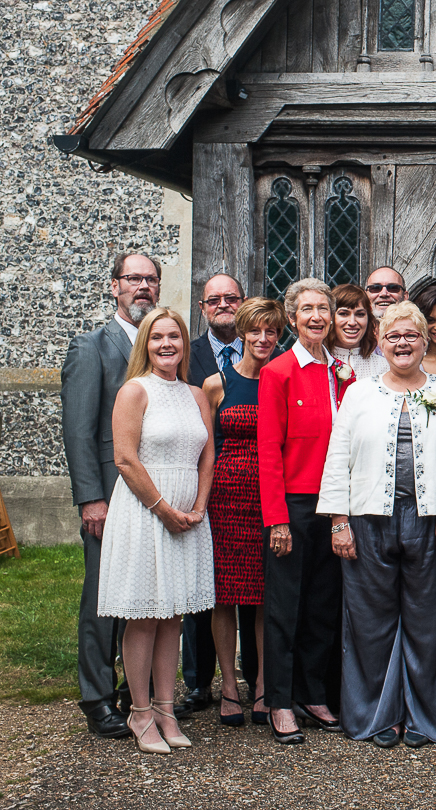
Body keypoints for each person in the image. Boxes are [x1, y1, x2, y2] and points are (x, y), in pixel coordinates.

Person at [318, 301, 436, 748]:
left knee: (428, 624)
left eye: (411, 336)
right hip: (367, 520)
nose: (403, 343)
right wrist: (339, 520)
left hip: (430, 523)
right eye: (394, 336)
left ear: (425, 341)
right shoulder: (359, 392)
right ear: (380, 343)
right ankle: (377, 717)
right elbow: (338, 455)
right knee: (369, 624)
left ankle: (422, 718)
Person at [97, 307, 216, 754]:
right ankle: (141, 711)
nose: (167, 344)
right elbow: (126, 459)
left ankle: (167, 709)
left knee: (174, 616)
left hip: (189, 514)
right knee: (145, 615)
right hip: (146, 512)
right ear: (144, 344)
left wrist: (199, 505)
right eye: (157, 337)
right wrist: (164, 508)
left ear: (185, 344)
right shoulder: (135, 391)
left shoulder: (196, 394)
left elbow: (206, 455)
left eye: (175, 337)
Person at [61, 252, 161, 739]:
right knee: (102, 598)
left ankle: (133, 692)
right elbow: (79, 432)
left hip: (149, 494)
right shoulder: (91, 347)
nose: (142, 287)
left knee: (139, 596)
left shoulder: (164, 347)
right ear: (115, 286)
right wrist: (90, 499)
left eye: (150, 279)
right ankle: (97, 697)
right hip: (109, 493)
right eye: (133, 279)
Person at [257, 278, 353, 744]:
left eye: (324, 309)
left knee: (322, 605)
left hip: (334, 506)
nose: (317, 317)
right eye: (307, 309)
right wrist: (276, 518)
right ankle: (279, 701)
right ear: (292, 318)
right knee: (284, 608)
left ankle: (314, 694)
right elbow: (268, 450)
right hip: (292, 506)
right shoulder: (279, 371)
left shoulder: (343, 371)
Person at [202, 297, 286, 728]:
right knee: (225, 596)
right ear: (241, 333)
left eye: (271, 331)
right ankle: (229, 686)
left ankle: (263, 684)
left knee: (264, 597)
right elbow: (206, 448)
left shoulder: (282, 378)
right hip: (226, 497)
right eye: (255, 330)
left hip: (269, 494)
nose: (263, 338)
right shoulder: (217, 384)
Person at [183, 272, 251, 715]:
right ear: (203, 307)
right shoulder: (185, 355)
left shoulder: (267, 352)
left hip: (255, 487)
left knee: (254, 589)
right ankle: (198, 681)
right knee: (206, 589)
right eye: (214, 300)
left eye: (232, 298)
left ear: (243, 304)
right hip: (202, 485)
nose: (223, 304)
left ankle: (260, 678)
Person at [329, 284, 389, 381]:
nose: (352, 322)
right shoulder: (320, 361)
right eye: (344, 314)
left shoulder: (383, 367)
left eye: (360, 314)